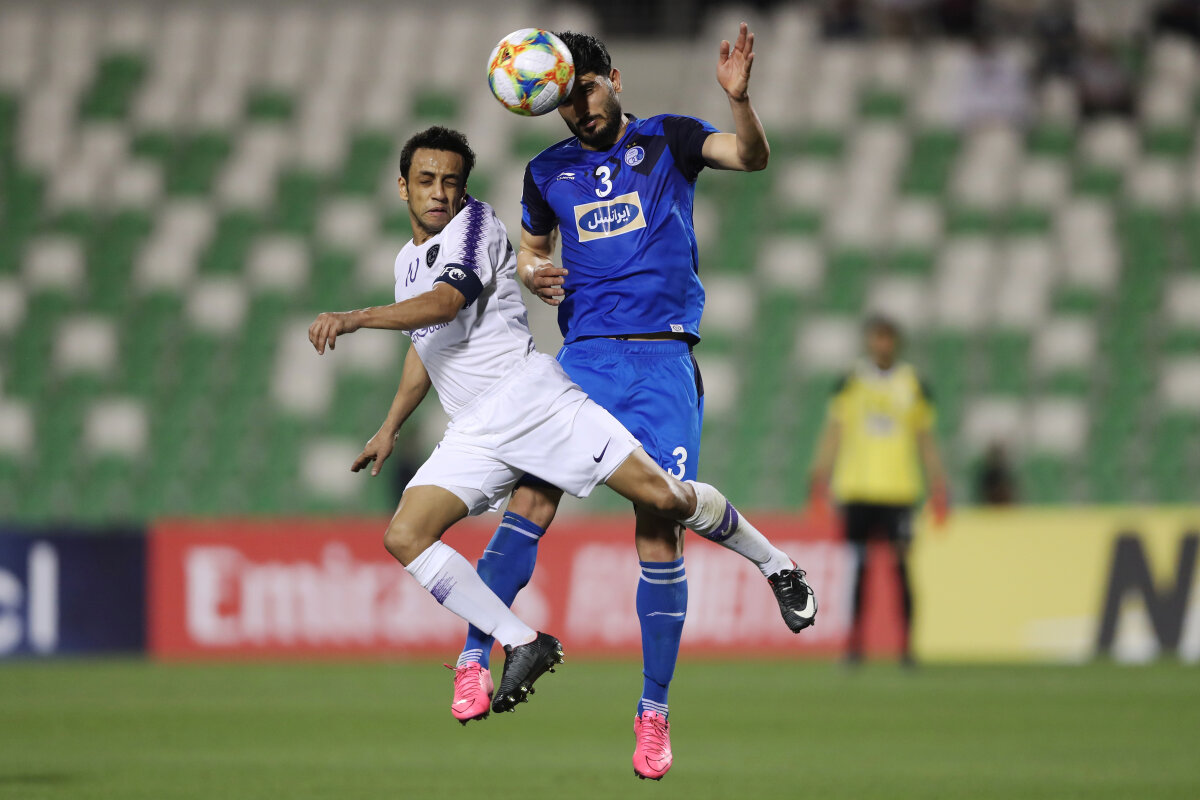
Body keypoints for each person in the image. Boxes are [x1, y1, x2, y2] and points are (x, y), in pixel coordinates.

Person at [306, 126, 817, 780]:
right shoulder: (407, 261)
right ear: (402, 186)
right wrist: (390, 426)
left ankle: (773, 563)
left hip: (533, 403)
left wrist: (354, 318)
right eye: (427, 181)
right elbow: (426, 344)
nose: (441, 193)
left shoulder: (475, 227)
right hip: (473, 429)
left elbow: (446, 302)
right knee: (404, 533)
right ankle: (516, 643)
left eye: (451, 181)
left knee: (663, 502)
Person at [450, 25, 815, 773]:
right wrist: (532, 272)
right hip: (583, 360)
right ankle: (473, 656)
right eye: (565, 98)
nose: (579, 106)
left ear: (613, 80)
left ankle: (654, 712)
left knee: (661, 525)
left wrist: (739, 102)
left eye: (587, 88)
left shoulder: (669, 139)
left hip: (661, 360)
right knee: (530, 501)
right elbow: (532, 251)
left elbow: (751, 156)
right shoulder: (546, 172)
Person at [808, 315, 948, 665]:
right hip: (857, 489)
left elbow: (926, 438)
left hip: (899, 491)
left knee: (902, 569)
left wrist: (939, 485)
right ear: (870, 342)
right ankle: (854, 646)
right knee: (859, 570)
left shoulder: (913, 384)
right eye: (877, 338)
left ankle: (907, 648)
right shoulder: (851, 382)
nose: (882, 344)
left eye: (887, 338)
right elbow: (834, 430)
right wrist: (819, 477)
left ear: (895, 342)